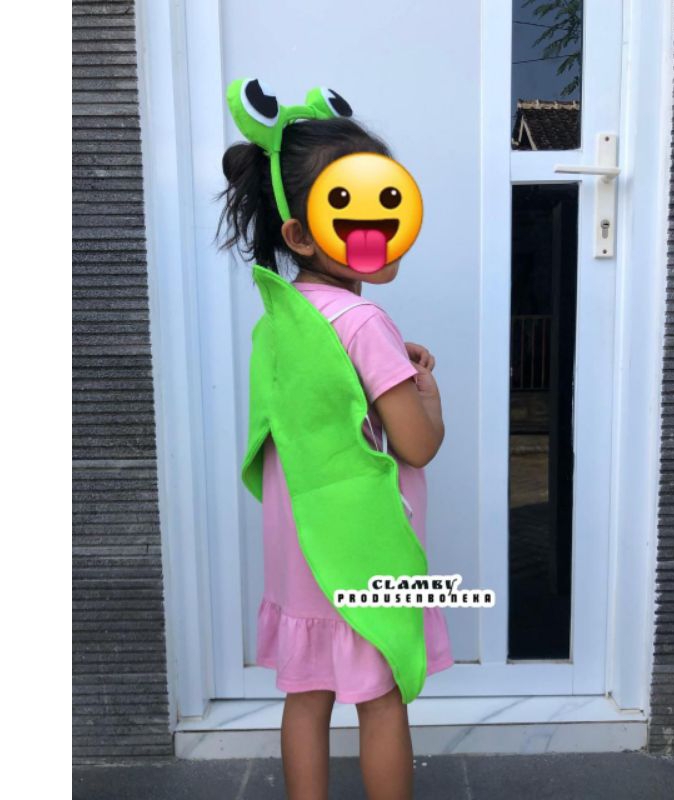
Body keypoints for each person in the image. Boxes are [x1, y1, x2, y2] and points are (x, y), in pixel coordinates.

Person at [216, 114, 454, 800]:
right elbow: (417, 443)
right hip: (360, 547)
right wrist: (427, 394)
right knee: (380, 697)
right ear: (300, 234)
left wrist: (386, 368)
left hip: (300, 545)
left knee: (308, 693)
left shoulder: (281, 320)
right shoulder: (364, 322)